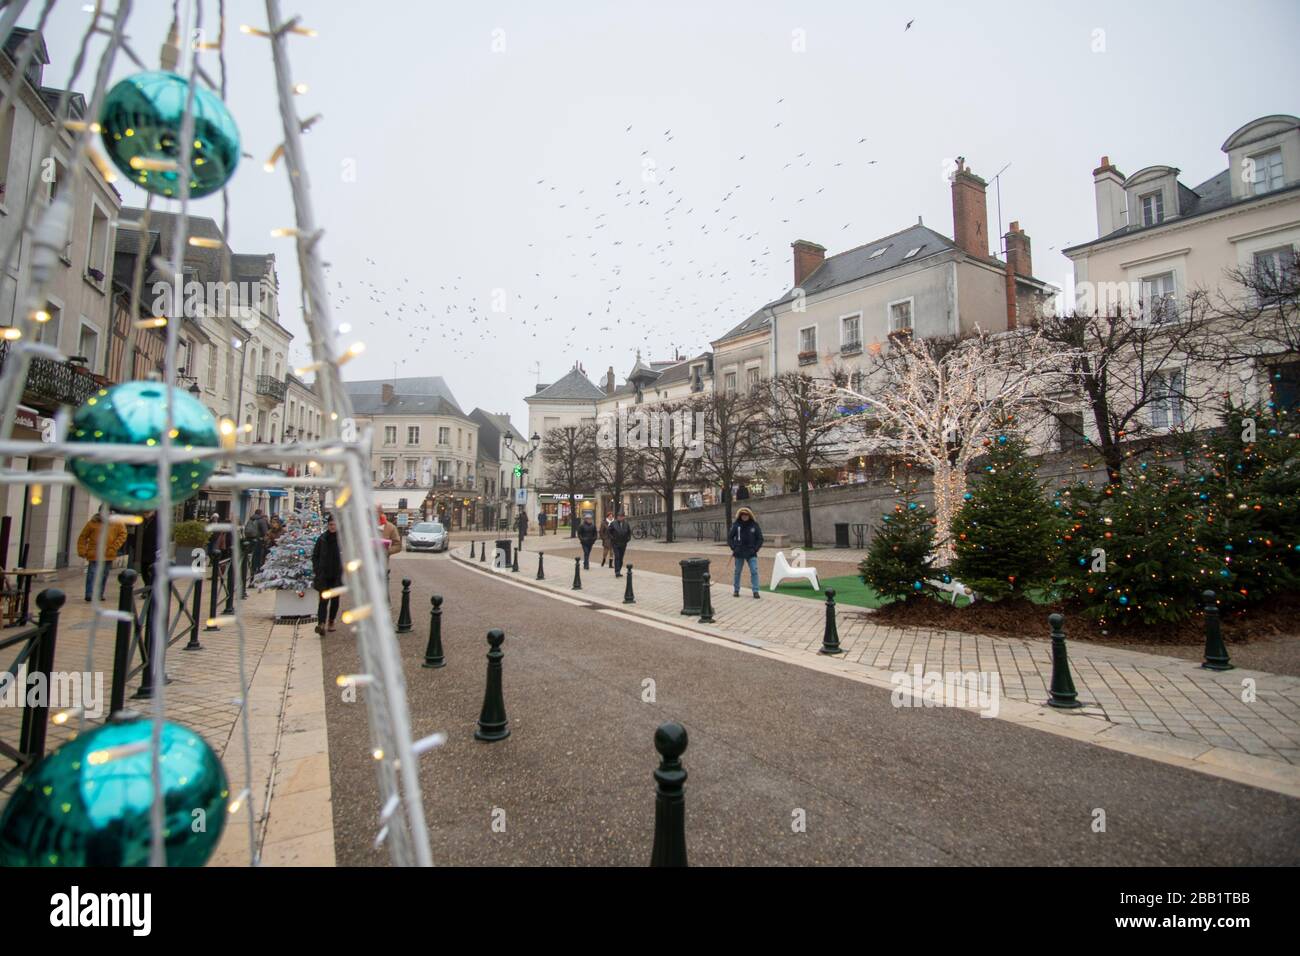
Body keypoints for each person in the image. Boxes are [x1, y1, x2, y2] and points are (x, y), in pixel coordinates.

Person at [77, 512, 127, 601]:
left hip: (108, 554)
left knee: (103, 575)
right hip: (94, 553)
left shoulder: (117, 523)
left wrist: (114, 547)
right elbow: (83, 537)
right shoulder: (92, 523)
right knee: (92, 574)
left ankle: (99, 594)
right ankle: (89, 594)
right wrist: (82, 550)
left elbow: (123, 535)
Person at [312, 514, 343, 635]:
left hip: (337, 575)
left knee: (335, 601)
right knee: (323, 601)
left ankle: (331, 621)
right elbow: (315, 555)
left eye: (334, 525)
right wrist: (317, 569)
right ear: (327, 525)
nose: (332, 527)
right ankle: (321, 624)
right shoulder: (322, 539)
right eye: (330, 524)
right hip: (324, 575)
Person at [729, 506, 764, 598]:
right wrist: (734, 547)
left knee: (754, 571)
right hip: (739, 551)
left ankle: (755, 591)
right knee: (737, 571)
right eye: (742, 515)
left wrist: (755, 549)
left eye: (746, 515)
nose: (744, 516)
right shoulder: (736, 525)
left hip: (751, 552)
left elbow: (760, 539)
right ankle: (736, 590)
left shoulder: (754, 525)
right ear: (740, 515)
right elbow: (730, 538)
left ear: (749, 515)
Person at [377, 505, 402, 578]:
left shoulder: (390, 527)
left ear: (381, 513)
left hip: (381, 564)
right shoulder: (364, 526)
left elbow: (398, 546)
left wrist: (386, 551)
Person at [244, 508, 270, 573]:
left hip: (250, 539)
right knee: (258, 555)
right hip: (258, 540)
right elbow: (265, 532)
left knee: (253, 555)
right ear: (261, 513)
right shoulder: (261, 520)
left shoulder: (250, 519)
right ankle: (257, 569)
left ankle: (252, 568)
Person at [608, 511, 632, 577]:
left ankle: (619, 569)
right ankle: (617, 572)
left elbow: (629, 532)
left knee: (621, 558)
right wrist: (612, 538)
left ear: (623, 517)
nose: (620, 517)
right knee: (617, 557)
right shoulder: (613, 523)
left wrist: (628, 539)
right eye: (619, 516)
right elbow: (609, 532)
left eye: (621, 516)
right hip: (615, 543)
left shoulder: (626, 524)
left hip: (623, 543)